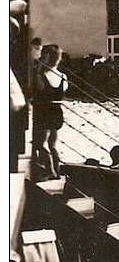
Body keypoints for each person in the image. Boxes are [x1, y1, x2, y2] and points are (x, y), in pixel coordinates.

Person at [31, 45, 68, 181]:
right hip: (57, 112)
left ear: (46, 57)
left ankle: (50, 170)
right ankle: (57, 171)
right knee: (52, 144)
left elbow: (38, 89)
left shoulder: (41, 76)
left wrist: (39, 69)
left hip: (44, 111)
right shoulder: (63, 76)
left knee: (41, 143)